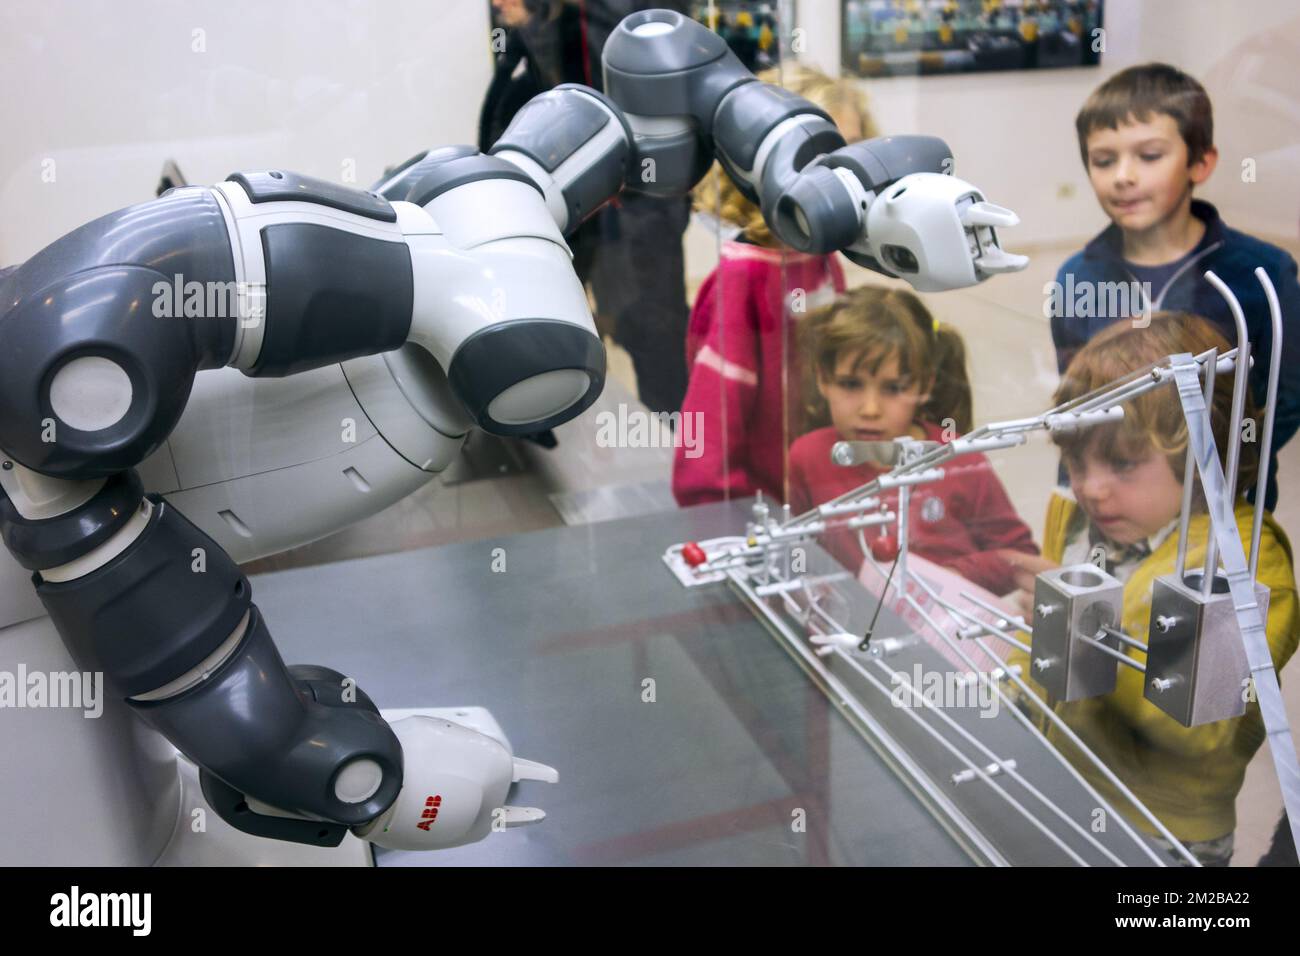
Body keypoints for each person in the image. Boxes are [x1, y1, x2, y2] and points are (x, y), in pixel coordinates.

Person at [1007, 312, 1299, 866]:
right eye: (1075, 460)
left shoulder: (1240, 563)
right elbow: (1039, 654)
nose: (1091, 487)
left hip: (1162, 833)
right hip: (1061, 786)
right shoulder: (1078, 518)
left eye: (1121, 463)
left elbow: (1197, 730)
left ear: (1203, 450)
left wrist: (1083, 634)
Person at [1050, 63, 1300, 511]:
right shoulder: (1076, 278)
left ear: (1200, 162)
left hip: (1224, 512)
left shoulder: (1265, 272)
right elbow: (1077, 402)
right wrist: (1072, 495)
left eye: (1148, 156)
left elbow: (1286, 396)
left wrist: (1214, 470)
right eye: (1104, 160)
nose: (1123, 176)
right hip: (1114, 515)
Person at [671, 66, 873, 506]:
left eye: (853, 153)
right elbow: (708, 439)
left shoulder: (819, 256)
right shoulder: (744, 279)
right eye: (821, 158)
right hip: (768, 509)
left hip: (816, 491)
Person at [786, 286, 1038, 595]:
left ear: (924, 384)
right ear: (823, 379)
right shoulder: (807, 457)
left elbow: (1021, 558)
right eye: (851, 384)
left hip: (947, 632)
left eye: (893, 389)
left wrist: (945, 578)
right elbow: (801, 551)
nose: (870, 409)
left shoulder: (960, 459)